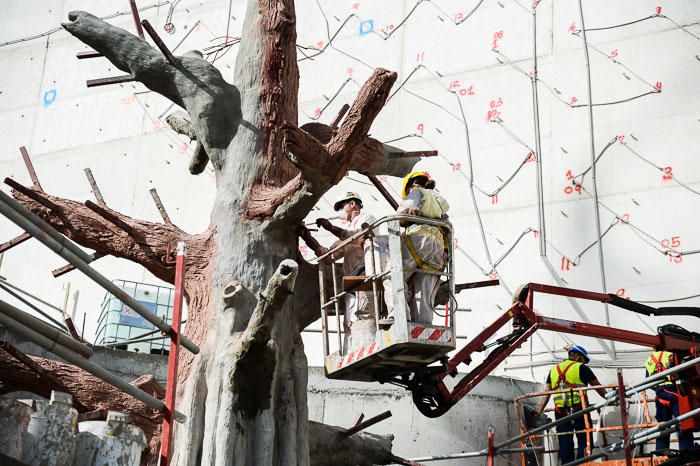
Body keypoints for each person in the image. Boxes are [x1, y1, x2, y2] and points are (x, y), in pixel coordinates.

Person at [380, 171, 449, 325]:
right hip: (437, 244)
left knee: (392, 276)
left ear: (411, 185)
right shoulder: (438, 200)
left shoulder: (415, 192)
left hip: (418, 238)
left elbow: (400, 219)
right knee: (424, 288)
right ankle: (423, 325)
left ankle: (398, 316)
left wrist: (407, 213)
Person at [316, 192, 377, 348]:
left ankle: (366, 349)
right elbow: (330, 255)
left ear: (352, 204)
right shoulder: (348, 229)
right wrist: (306, 236)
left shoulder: (367, 219)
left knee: (365, 316)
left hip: (366, 276)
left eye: (342, 206)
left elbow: (358, 236)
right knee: (348, 323)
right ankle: (351, 353)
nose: (340, 211)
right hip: (351, 283)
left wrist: (330, 228)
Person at [537, 346, 607, 465]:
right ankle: (583, 464)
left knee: (565, 441)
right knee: (585, 439)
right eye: (584, 359)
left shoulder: (553, 370)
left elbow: (546, 393)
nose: (584, 362)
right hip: (580, 410)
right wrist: (613, 397)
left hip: (561, 413)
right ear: (578, 356)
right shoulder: (581, 368)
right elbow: (599, 388)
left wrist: (539, 411)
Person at [645, 350, 695, 451]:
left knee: (663, 424)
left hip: (659, 394)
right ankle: (686, 447)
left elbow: (647, 380)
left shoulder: (649, 360)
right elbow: (681, 373)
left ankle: (661, 449)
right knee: (682, 420)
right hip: (672, 391)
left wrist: (659, 390)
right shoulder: (670, 355)